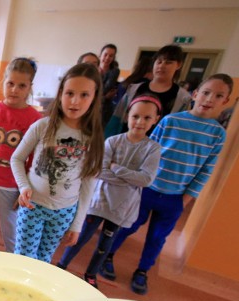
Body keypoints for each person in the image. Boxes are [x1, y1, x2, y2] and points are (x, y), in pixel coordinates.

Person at [101, 74, 233, 294]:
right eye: (206, 92)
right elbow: (149, 149)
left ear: (225, 102)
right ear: (195, 94)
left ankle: (142, 271)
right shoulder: (171, 121)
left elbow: (206, 169)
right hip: (148, 188)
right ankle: (108, 255)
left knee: (157, 236)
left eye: (218, 96)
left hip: (175, 196)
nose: (210, 99)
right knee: (127, 224)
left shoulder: (217, 134)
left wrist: (186, 198)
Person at [56, 94, 162, 288]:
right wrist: (129, 177)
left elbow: (146, 179)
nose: (140, 122)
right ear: (128, 115)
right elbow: (100, 171)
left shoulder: (152, 149)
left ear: (156, 120)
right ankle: (62, 265)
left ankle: (91, 274)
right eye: (136, 116)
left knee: (105, 244)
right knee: (80, 237)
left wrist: (116, 168)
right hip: (99, 201)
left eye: (147, 118)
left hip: (122, 207)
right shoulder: (112, 142)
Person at [10, 63, 104, 263]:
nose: (75, 101)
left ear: (94, 97)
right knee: (23, 260)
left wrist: (77, 224)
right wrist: (24, 186)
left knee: (44, 260)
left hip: (64, 212)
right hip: (32, 206)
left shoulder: (93, 138)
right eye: (69, 93)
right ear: (61, 93)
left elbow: (88, 185)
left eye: (84, 95)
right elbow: (17, 159)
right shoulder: (42, 126)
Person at [0, 58, 42, 252]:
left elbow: (34, 159)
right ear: (3, 82)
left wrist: (24, 188)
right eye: (10, 83)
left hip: (12, 188)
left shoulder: (34, 119)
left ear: (29, 88)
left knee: (12, 234)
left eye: (21, 86)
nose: (14, 90)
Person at [105, 44, 192, 138]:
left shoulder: (183, 99)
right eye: (159, 62)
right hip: (125, 144)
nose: (161, 66)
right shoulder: (133, 89)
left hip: (156, 149)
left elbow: (179, 131)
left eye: (168, 62)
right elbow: (116, 119)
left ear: (178, 65)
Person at [99, 44, 120, 126]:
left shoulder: (114, 71)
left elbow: (106, 89)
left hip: (104, 108)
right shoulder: (93, 68)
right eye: (105, 54)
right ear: (100, 55)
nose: (107, 58)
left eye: (111, 56)